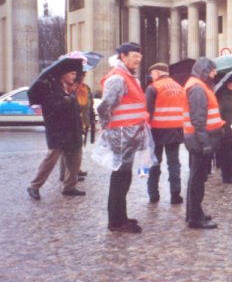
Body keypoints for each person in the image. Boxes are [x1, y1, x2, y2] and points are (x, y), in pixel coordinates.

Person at [97, 42, 152, 233]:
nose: (138, 60)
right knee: (120, 177)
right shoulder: (118, 78)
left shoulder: (128, 77)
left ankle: (121, 216)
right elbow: (105, 106)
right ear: (123, 57)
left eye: (139, 57)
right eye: (134, 56)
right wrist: (106, 127)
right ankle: (116, 222)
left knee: (124, 176)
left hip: (129, 135)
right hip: (121, 135)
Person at [27, 68, 85, 200]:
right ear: (62, 74)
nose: (73, 76)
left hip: (72, 130)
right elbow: (50, 108)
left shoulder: (70, 88)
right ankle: (34, 186)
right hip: (58, 131)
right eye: (71, 73)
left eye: (74, 73)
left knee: (74, 159)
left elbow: (76, 108)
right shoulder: (51, 89)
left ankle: (69, 187)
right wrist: (66, 100)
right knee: (51, 159)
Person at [183, 57, 224, 229]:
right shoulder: (198, 88)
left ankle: (194, 212)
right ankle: (194, 217)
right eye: (213, 70)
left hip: (198, 138)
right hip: (200, 139)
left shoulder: (198, 86)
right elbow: (198, 120)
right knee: (197, 179)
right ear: (205, 70)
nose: (215, 73)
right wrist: (206, 142)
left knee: (196, 178)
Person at [145, 62, 185, 205]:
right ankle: (175, 195)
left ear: (156, 73)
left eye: (152, 74)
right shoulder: (179, 87)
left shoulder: (153, 88)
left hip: (157, 131)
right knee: (174, 163)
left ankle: (153, 194)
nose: (151, 77)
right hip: (176, 129)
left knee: (155, 162)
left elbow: (147, 112)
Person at [216, 79, 232, 184]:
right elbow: (221, 112)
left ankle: (229, 175)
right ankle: (227, 177)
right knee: (226, 154)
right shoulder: (222, 96)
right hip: (226, 128)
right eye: (229, 83)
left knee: (231, 153)